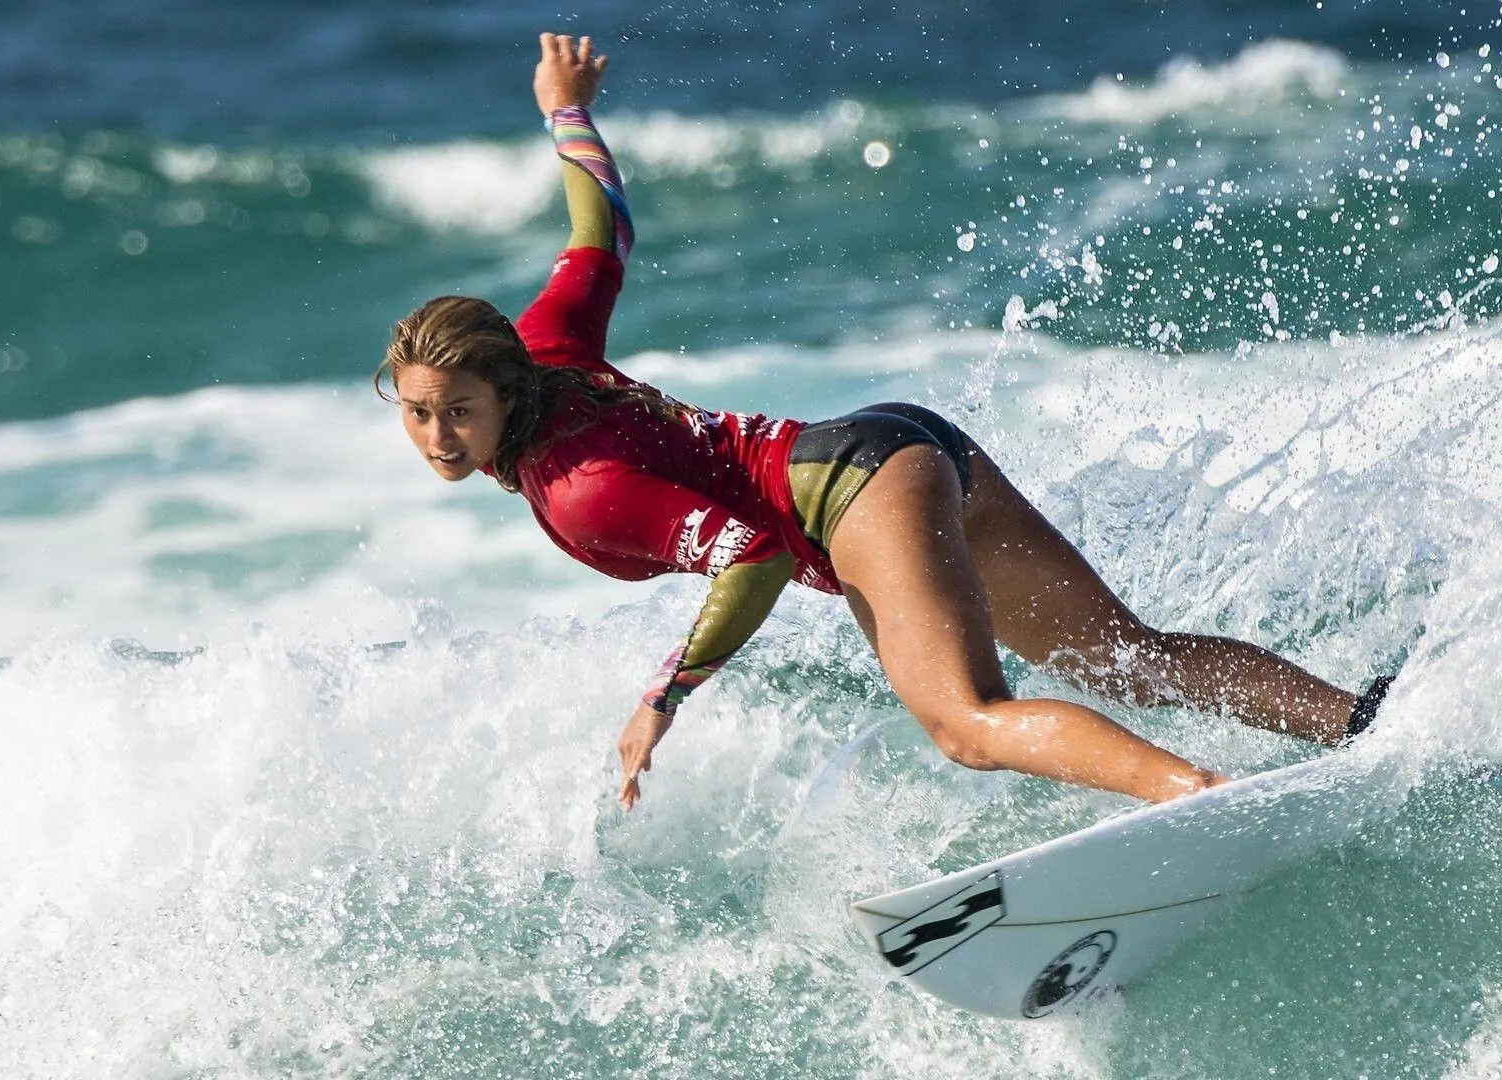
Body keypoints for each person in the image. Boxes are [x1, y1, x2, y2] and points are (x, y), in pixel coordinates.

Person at [379, 33, 1393, 810]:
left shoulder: (581, 490)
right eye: (420, 413)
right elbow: (601, 225)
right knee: (1120, 656)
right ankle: (1360, 720)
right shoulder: (548, 344)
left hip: (853, 498)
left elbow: (754, 557)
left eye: (458, 412)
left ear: (503, 391)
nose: (438, 437)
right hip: (898, 447)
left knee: (967, 724)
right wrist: (565, 111)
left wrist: (663, 698)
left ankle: (1198, 798)